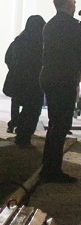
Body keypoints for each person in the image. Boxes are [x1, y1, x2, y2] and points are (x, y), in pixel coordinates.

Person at [39, 0, 81, 182]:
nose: (75, 7)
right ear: (67, 5)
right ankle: (52, 171)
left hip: (51, 77)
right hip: (63, 79)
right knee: (60, 125)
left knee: (55, 125)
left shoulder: (51, 24)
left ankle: (48, 168)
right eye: (74, 3)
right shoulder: (70, 24)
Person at [5, 14, 45, 147]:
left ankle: (17, 128)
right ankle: (24, 135)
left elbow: (8, 57)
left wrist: (14, 69)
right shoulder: (41, 42)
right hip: (35, 81)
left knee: (21, 105)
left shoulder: (20, 40)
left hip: (19, 79)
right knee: (33, 109)